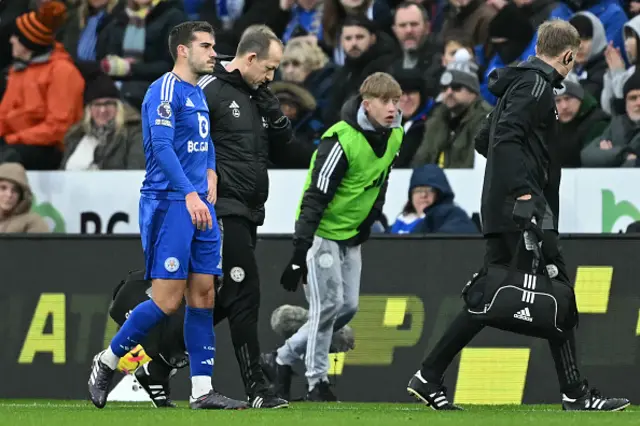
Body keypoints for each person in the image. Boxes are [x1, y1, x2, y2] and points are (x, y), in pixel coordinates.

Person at [406, 20, 631, 411]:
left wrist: (510, 181)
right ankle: (574, 394)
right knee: (555, 287)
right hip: (523, 209)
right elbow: (505, 136)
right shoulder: (537, 87)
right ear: (568, 55)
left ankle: (428, 375)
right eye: (573, 59)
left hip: (505, 207)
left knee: (495, 294)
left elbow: (484, 140)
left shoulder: (518, 84)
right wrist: (524, 192)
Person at [87, 21, 247, 411]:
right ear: (182, 50)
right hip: (169, 201)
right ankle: (107, 361)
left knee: (205, 293)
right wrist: (190, 193)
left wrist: (210, 171)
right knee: (166, 301)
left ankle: (202, 391)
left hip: (198, 202)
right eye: (206, 46)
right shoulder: (164, 90)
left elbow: (204, 141)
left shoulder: (196, 92)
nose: (214, 53)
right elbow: (160, 146)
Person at [273, 72, 404, 402]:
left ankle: (282, 358)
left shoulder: (396, 135)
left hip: (351, 234)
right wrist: (299, 251)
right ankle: (316, 381)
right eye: (385, 102)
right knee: (328, 305)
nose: (392, 108)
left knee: (347, 307)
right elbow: (315, 196)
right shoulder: (340, 140)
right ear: (367, 104)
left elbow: (380, 181)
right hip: (322, 233)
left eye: (395, 101)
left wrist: (369, 220)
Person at [195, 24, 293, 409]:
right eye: (269, 69)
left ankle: (158, 358)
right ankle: (258, 389)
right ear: (250, 58)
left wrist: (275, 112)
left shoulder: (259, 96)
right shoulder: (209, 89)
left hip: (250, 211)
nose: (271, 77)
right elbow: (182, 141)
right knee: (246, 292)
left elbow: (288, 152)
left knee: (228, 296)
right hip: (220, 208)